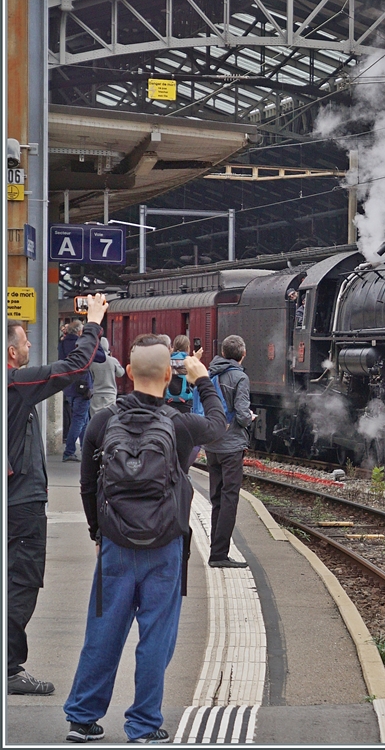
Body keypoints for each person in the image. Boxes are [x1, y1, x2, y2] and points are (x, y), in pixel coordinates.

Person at [63, 334, 227, 744]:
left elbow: (87, 485)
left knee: (103, 631)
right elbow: (219, 426)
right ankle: (143, 724)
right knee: (156, 635)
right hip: (165, 545)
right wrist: (202, 378)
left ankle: (82, 718)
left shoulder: (103, 421)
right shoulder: (180, 425)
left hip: (115, 543)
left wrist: (98, 533)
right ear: (169, 374)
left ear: (130, 373)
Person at [7, 297, 108, 696]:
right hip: (20, 503)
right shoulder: (14, 384)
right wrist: (93, 322)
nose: (31, 346)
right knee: (21, 581)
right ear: (11, 352)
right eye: (25, 342)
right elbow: (75, 367)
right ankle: (8, 668)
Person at [203, 335, 255, 569]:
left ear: (223, 353)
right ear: (242, 354)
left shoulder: (210, 373)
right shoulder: (239, 377)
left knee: (216, 498)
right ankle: (219, 554)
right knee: (229, 499)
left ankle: (216, 549)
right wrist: (250, 418)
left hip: (212, 444)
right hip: (231, 446)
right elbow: (242, 414)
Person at [61, 318, 98, 462]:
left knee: (84, 419)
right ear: (79, 332)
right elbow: (100, 357)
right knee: (79, 420)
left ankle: (86, 448)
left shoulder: (63, 343)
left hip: (69, 386)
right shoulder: (80, 344)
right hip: (82, 387)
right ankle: (69, 451)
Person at [88, 336, 125, 415]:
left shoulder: (92, 362)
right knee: (109, 416)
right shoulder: (112, 360)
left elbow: (90, 377)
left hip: (96, 394)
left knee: (95, 417)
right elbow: (120, 373)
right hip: (110, 393)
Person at [164, 335, 194, 413]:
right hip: (186, 401)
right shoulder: (190, 361)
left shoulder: (167, 361)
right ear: (188, 347)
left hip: (169, 401)